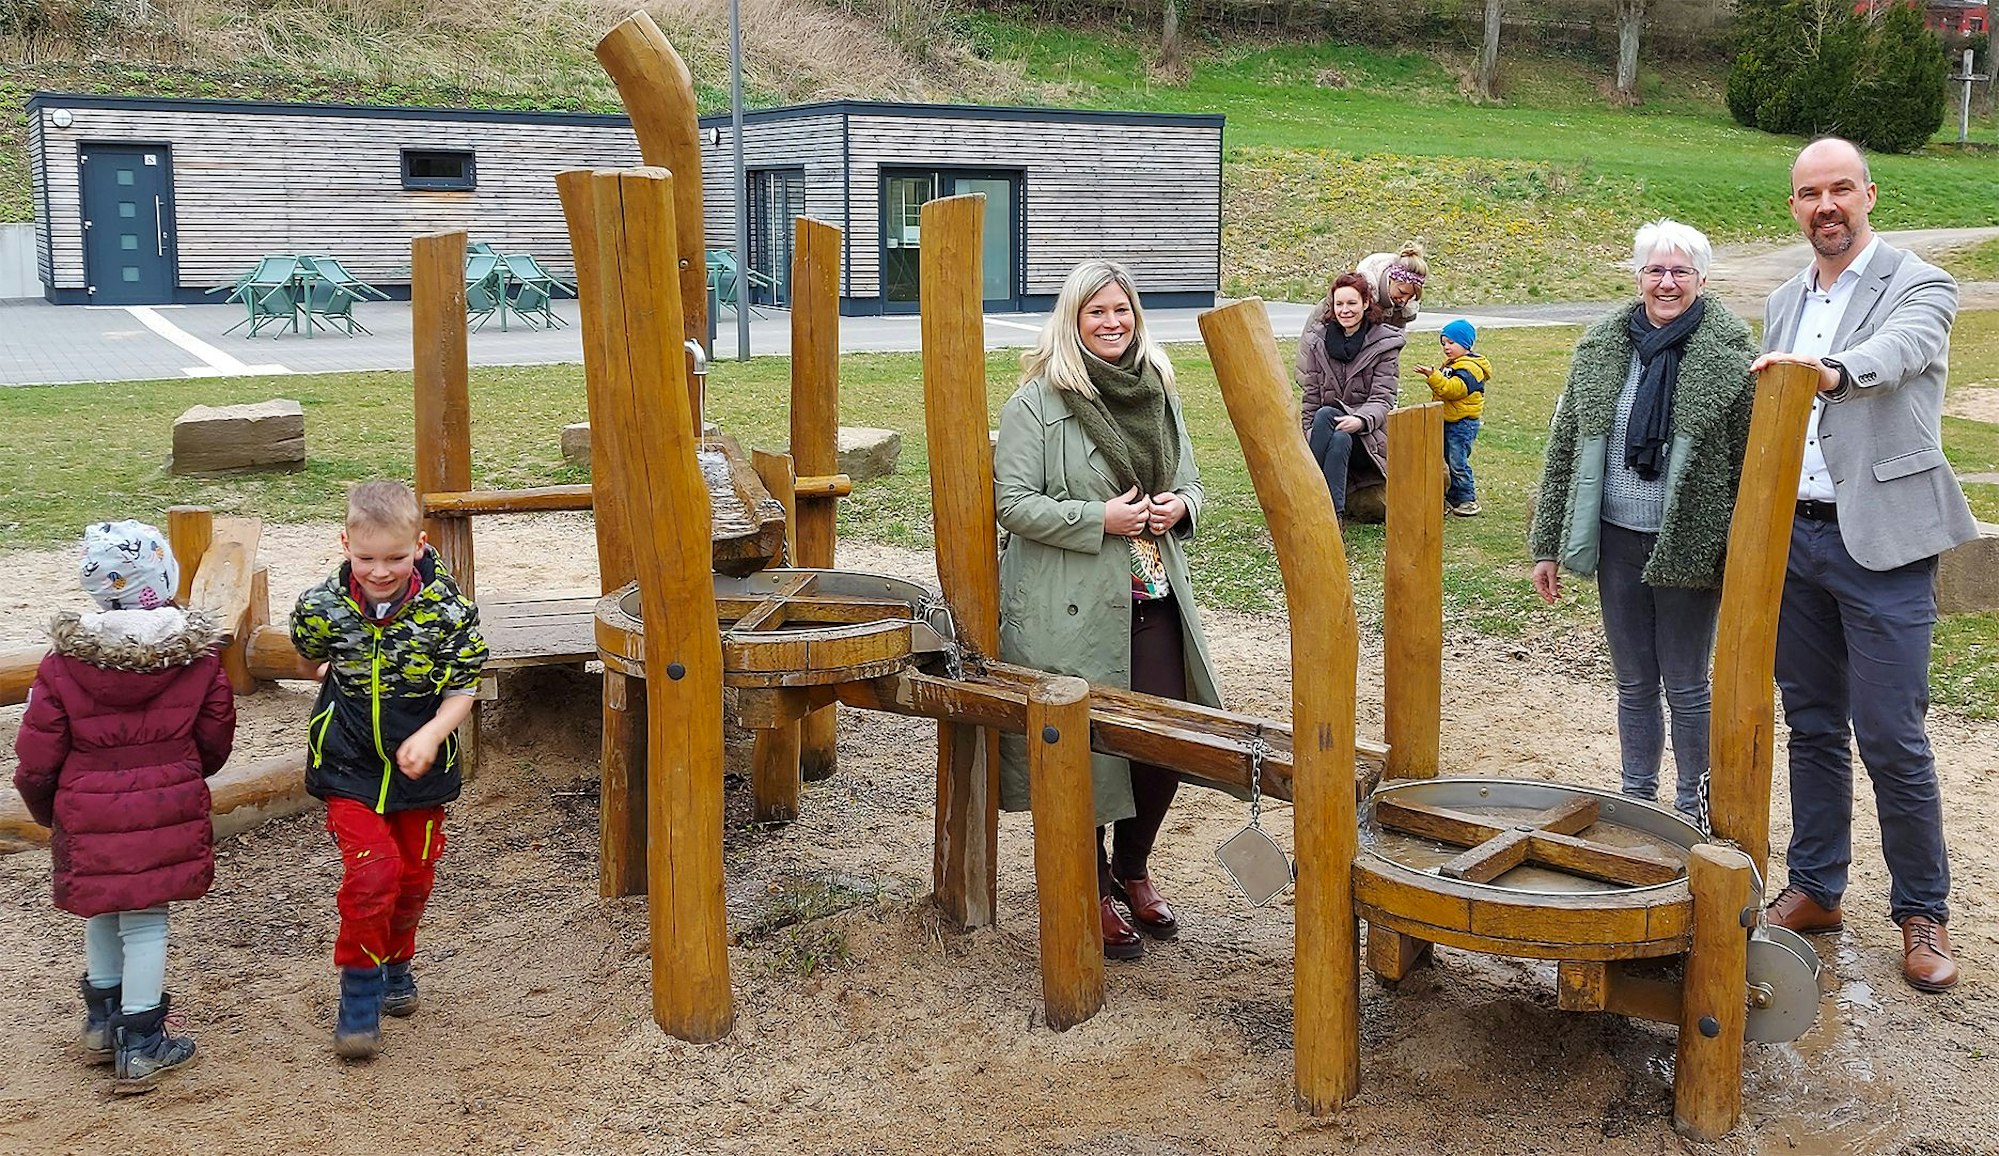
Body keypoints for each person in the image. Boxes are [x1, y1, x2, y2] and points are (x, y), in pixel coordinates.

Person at [1750, 137, 1978, 993]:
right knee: (1811, 723)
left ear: (1868, 194)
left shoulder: (1920, 282)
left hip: (1882, 543)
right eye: (1809, 193)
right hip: (1797, 539)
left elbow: (1903, 350)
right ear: (1793, 206)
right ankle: (1816, 887)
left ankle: (1922, 911)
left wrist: (1831, 371)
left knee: (1890, 734)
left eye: (1840, 189)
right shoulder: (1782, 300)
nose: (1826, 206)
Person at [993, 260, 1225, 962]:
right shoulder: (1036, 401)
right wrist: (1099, 518)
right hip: (1069, 605)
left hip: (1152, 596)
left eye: (1121, 309)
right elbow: (1013, 505)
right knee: (1085, 750)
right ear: (1072, 319)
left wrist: (1181, 506)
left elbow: (1191, 480)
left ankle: (1133, 866)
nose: (1112, 323)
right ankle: (1088, 884)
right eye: (1096, 311)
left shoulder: (1157, 389)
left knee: (1166, 740)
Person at [1529, 219, 1756, 821]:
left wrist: (1742, 554)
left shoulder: (1731, 356)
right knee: (1633, 681)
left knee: (1686, 683)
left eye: (1680, 271)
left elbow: (1747, 465)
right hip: (1616, 538)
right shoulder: (1602, 348)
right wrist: (1546, 545)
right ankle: (1638, 799)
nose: (1667, 283)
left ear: (1702, 280)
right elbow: (1564, 448)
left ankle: (1694, 805)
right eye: (1656, 270)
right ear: (1638, 277)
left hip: (1689, 543)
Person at [13, 520, 237, 1092]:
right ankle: (140, 1042)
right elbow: (215, 737)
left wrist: (47, 805)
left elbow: (37, 750)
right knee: (146, 919)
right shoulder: (197, 659)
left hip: (87, 804)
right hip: (166, 800)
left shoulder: (62, 663)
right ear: (164, 577)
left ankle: (100, 1024)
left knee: (104, 908)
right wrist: (184, 774)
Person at [290, 480, 488, 1056]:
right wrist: (325, 673)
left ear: (420, 545)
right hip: (348, 762)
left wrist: (431, 735)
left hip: (420, 766)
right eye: (367, 558)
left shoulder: (447, 611)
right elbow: (306, 656)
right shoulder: (323, 605)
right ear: (345, 544)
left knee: (413, 876)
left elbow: (463, 688)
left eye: (396, 558)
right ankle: (359, 997)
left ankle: (397, 960)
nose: (380, 571)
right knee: (373, 873)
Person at [1297, 271, 1406, 519]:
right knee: (1337, 437)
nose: (1345, 310)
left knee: (1329, 416)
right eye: (1339, 304)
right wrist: (1308, 433)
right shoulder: (1318, 342)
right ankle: (1333, 517)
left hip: (1368, 436)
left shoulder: (1385, 344)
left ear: (1366, 303)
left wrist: (1360, 420)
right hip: (1328, 433)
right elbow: (1311, 397)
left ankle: (1305, 493)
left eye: (1352, 303)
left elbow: (1383, 399)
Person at [1412, 318, 1492, 517]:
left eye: (1451, 343)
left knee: (1458, 462)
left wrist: (1433, 377)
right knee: (1446, 461)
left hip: (1462, 424)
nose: (1446, 347)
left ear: (1466, 343)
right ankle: (1451, 497)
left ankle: (1467, 499)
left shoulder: (1471, 368)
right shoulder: (1453, 364)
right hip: (1448, 420)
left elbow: (1453, 390)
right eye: (1443, 343)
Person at [1354, 242, 1430, 327]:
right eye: (1402, 292)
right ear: (1390, 280)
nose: (1404, 300)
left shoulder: (1404, 309)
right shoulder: (1365, 290)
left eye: (1410, 297)